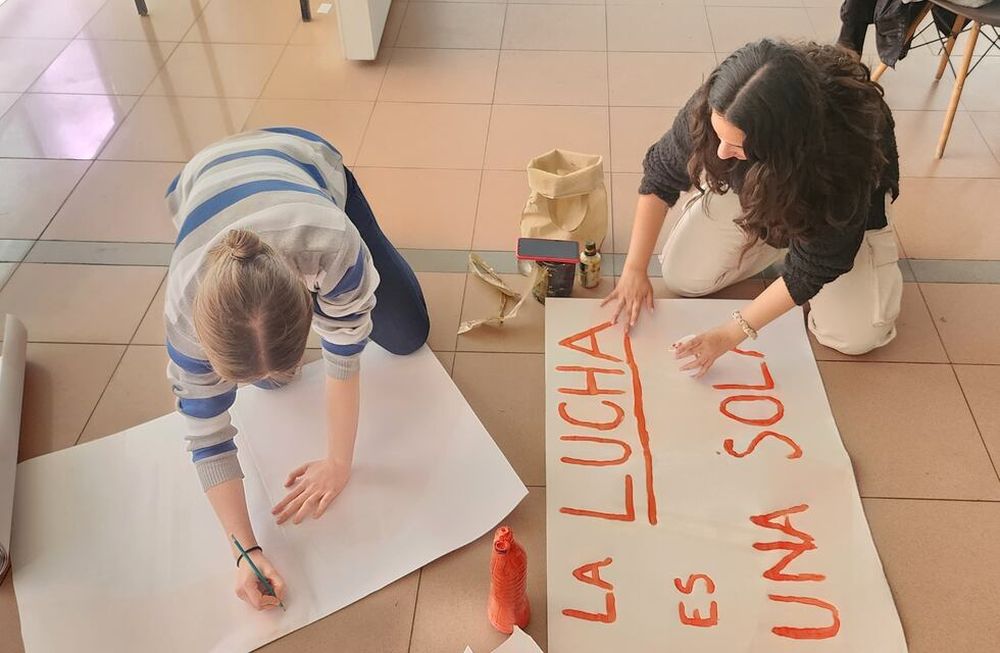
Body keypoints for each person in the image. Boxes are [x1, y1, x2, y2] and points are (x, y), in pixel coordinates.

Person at [163, 127, 429, 610]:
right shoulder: (184, 312)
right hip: (201, 180)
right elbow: (207, 434)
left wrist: (339, 463)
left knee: (408, 334)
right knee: (271, 378)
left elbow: (342, 357)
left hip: (303, 160)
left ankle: (377, 252)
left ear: (310, 302)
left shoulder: (331, 243)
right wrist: (245, 550)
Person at [603, 39, 902, 376]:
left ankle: (846, 247)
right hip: (760, 190)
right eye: (719, 137)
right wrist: (634, 269)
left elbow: (816, 266)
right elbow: (661, 174)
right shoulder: (726, 100)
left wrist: (729, 335)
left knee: (853, 337)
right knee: (683, 277)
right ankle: (770, 234)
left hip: (829, 208)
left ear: (782, 144)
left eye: (736, 145)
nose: (719, 154)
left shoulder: (839, 159)